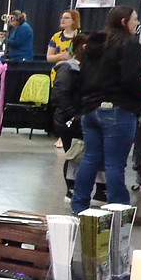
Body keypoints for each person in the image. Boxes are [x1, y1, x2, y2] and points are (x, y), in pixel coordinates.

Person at [70, 6, 141, 214]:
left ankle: (79, 206)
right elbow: (132, 79)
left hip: (91, 110)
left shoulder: (94, 45)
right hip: (118, 110)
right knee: (114, 164)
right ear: (124, 22)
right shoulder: (130, 46)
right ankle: (119, 211)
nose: (137, 23)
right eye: (135, 19)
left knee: (90, 158)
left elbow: (82, 77)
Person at [52, 34, 88, 198]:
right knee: (74, 154)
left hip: (82, 118)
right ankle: (71, 190)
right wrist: (73, 116)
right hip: (69, 120)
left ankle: (100, 191)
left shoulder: (89, 68)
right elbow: (60, 95)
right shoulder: (67, 68)